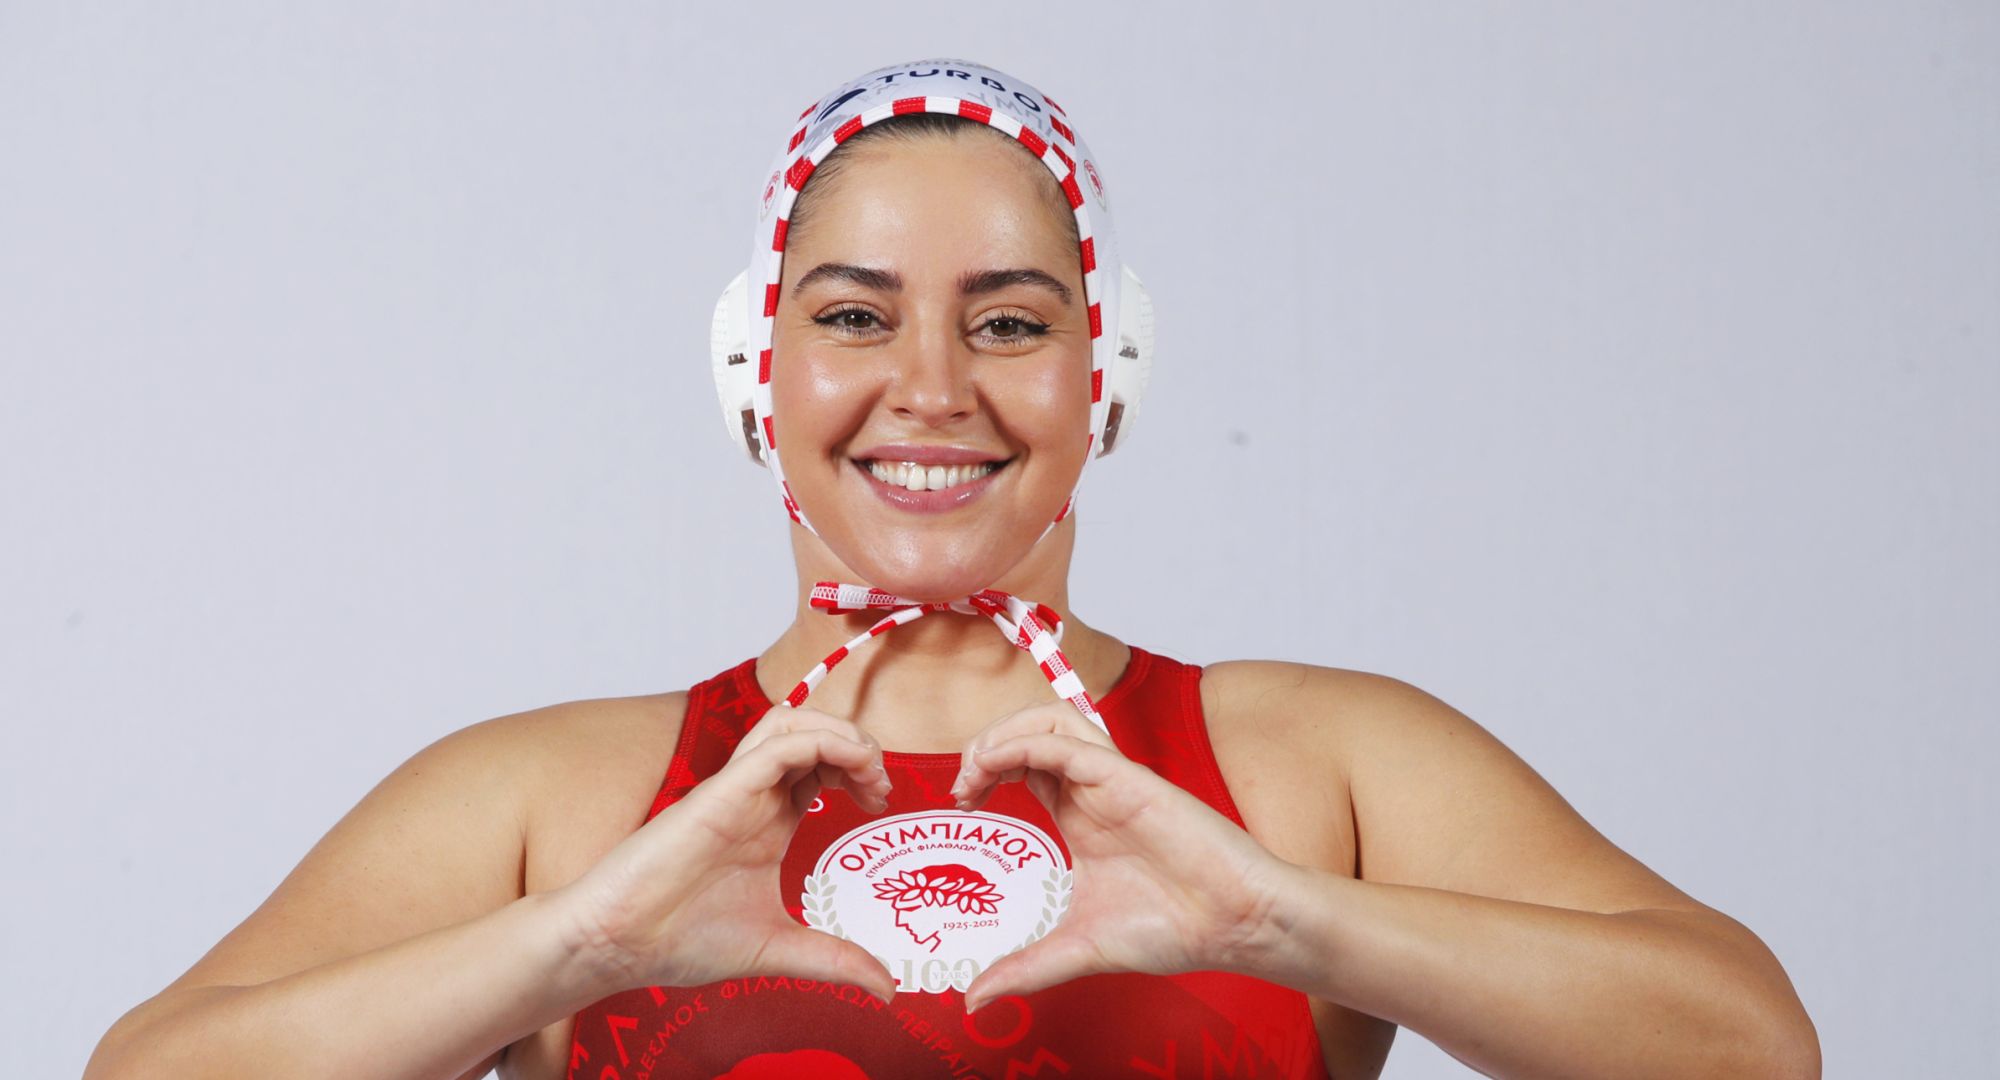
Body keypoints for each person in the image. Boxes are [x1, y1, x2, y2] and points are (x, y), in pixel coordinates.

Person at [86, 58, 1820, 1080]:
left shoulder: (1317, 764)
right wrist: (575, 948)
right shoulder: (555, 799)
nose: (931, 388)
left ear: (1107, 371)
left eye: (1008, 322)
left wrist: (1283, 919)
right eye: (855, 317)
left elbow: (1749, 1045)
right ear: (754, 368)